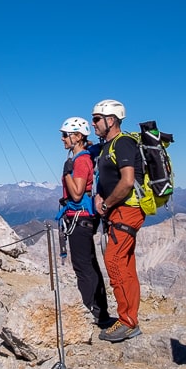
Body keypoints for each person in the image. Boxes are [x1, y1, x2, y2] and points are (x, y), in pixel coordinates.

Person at [91, 99, 144, 342]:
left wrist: (107, 203)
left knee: (113, 260)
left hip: (126, 210)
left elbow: (127, 180)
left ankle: (127, 322)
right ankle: (130, 317)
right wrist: (100, 195)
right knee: (125, 264)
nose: (94, 124)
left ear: (110, 120)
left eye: (97, 119)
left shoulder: (122, 143)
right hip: (118, 211)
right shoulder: (107, 146)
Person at [57, 116, 111, 327]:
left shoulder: (79, 161)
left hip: (79, 218)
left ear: (77, 136)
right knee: (89, 265)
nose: (62, 139)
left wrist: (67, 173)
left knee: (83, 267)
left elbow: (77, 193)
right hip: (83, 218)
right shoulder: (83, 157)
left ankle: (91, 312)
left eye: (65, 135)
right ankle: (100, 311)